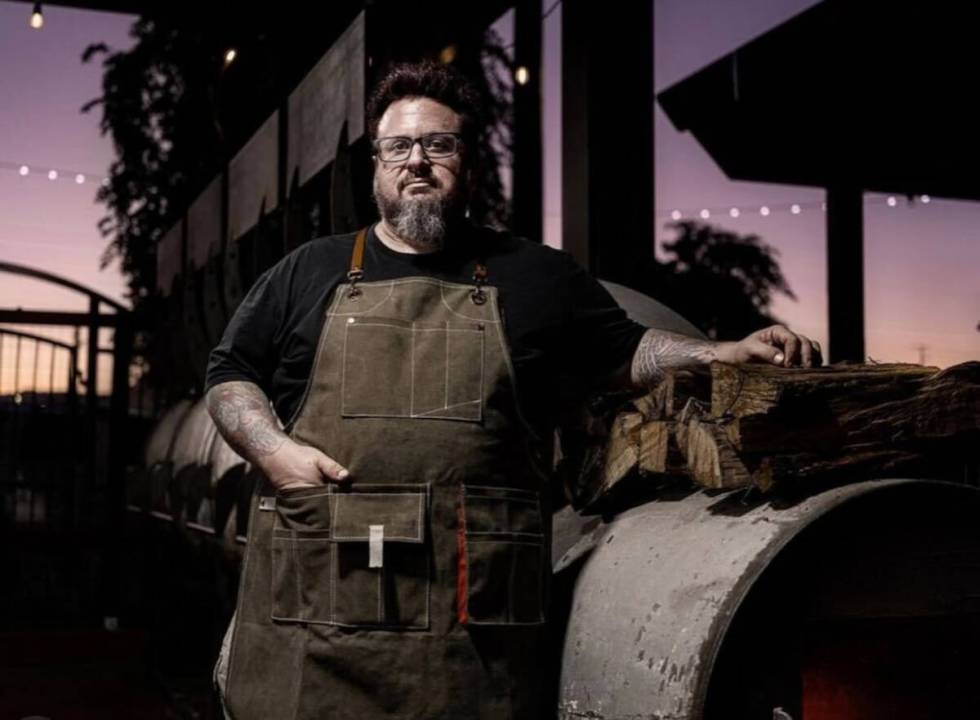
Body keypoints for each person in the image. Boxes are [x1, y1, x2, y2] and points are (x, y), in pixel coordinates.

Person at [204, 60, 820, 720]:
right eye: (399, 146)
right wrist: (274, 452)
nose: (418, 161)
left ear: (470, 163)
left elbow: (627, 350)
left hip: (470, 641)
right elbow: (230, 372)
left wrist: (721, 352)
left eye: (440, 144)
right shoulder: (307, 271)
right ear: (377, 165)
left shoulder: (536, 275)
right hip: (318, 624)